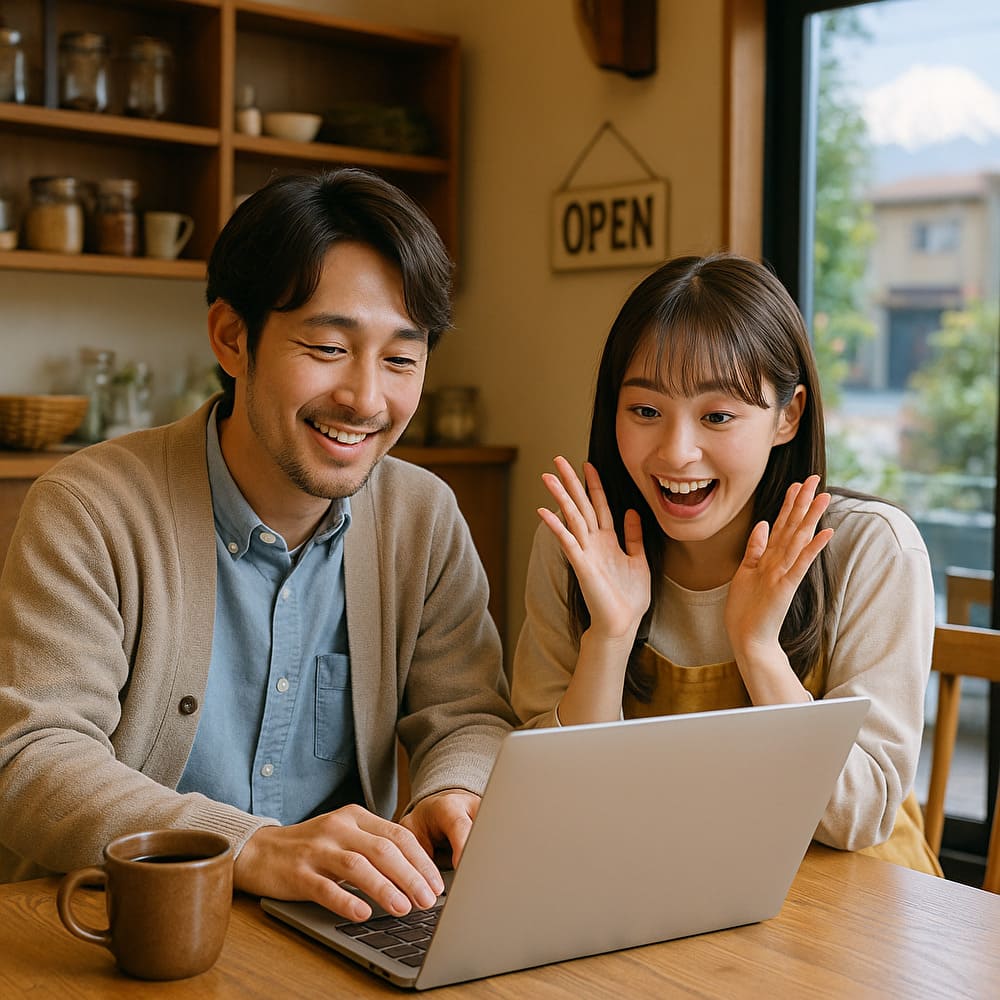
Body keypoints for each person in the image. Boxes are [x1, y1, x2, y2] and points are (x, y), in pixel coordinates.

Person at [0, 168, 518, 919]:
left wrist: (455, 789)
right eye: (328, 347)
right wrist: (249, 846)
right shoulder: (90, 508)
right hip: (116, 927)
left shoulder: (423, 516)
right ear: (231, 337)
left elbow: (468, 714)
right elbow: (32, 759)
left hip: (335, 921)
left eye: (401, 359)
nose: (366, 399)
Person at [511, 252, 941, 875]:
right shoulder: (578, 548)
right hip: (676, 891)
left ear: (788, 415)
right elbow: (551, 799)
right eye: (645, 411)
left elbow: (860, 816)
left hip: (856, 899)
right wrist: (610, 636)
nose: (677, 453)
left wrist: (758, 647)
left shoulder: (870, 549)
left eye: (717, 416)